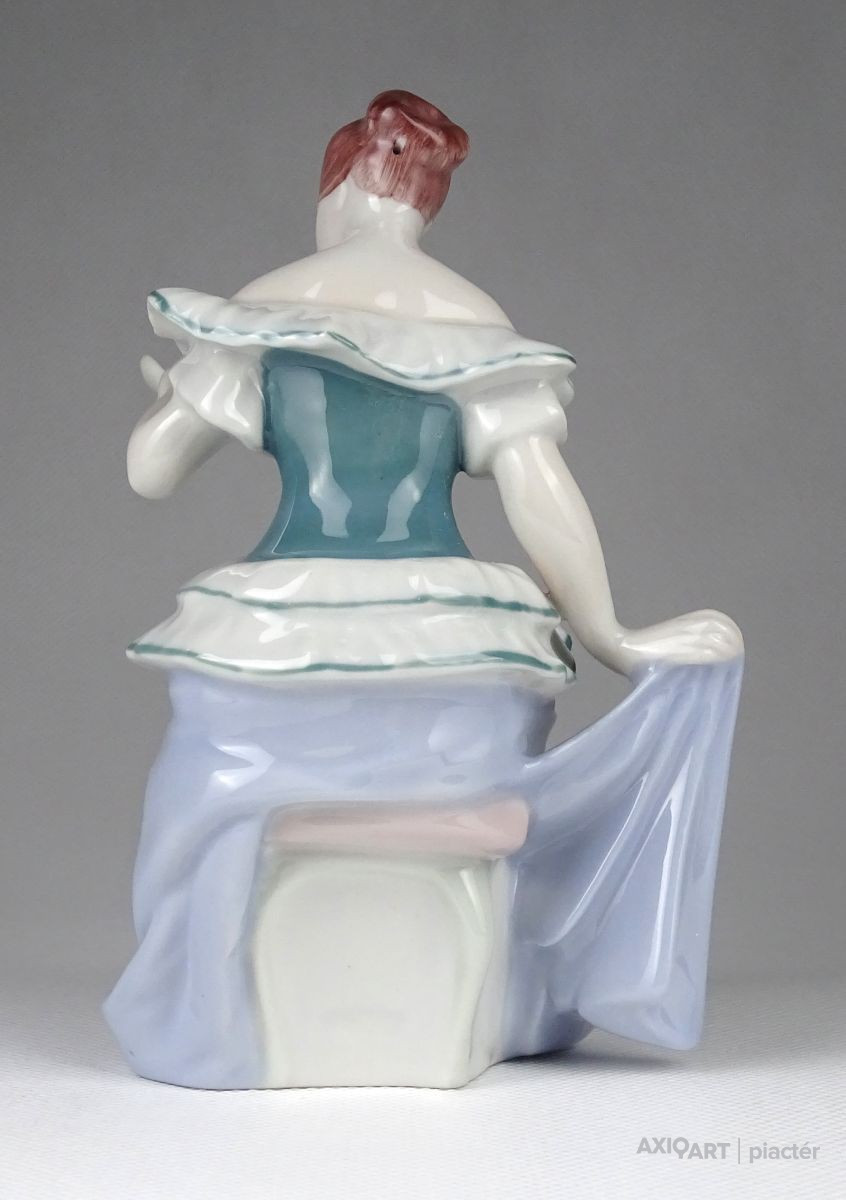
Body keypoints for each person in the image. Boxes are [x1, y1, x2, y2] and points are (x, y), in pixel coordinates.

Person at [107, 91, 744, 1089]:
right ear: (423, 203)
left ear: (339, 187)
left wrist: (170, 397)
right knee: (493, 764)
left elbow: (149, 473)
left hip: (274, 647)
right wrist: (613, 635)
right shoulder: (473, 320)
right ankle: (477, 1007)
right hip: (454, 663)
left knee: (196, 790)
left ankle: (210, 1020)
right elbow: (542, 497)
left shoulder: (263, 310)